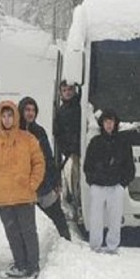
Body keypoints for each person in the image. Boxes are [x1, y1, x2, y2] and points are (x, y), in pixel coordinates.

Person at [0, 101, 45, 279]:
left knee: (28, 232)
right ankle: (20, 264)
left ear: (15, 117)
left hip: (24, 195)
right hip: (3, 198)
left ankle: (33, 266)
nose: (7, 119)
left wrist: (32, 184)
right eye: (4, 115)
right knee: (13, 233)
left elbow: (39, 163)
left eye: (10, 115)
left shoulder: (28, 139)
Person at [19, 97, 72, 241]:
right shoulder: (15, 132)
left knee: (57, 215)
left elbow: (48, 157)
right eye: (27, 110)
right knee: (25, 225)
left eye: (33, 110)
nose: (30, 113)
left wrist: (55, 181)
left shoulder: (39, 131)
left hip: (42, 184)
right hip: (22, 187)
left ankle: (66, 244)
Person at [83, 109, 136, 254]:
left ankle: (113, 246)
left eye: (111, 121)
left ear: (115, 123)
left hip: (115, 187)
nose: (109, 125)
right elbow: (87, 166)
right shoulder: (95, 142)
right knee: (96, 218)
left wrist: (122, 184)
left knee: (115, 218)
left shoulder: (123, 143)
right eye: (106, 121)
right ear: (102, 123)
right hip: (98, 187)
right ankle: (95, 246)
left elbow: (129, 166)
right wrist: (92, 182)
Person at [54, 81, 82, 221]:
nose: (68, 92)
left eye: (70, 89)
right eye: (64, 90)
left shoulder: (80, 105)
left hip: (83, 149)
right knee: (74, 181)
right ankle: (77, 208)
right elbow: (58, 134)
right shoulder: (60, 111)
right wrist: (67, 150)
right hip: (71, 153)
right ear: (61, 93)